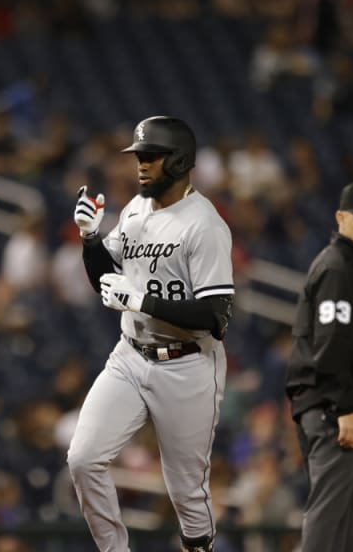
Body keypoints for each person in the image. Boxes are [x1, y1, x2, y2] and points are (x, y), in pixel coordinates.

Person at [67, 116, 235, 552]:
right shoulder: (136, 210)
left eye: (150, 157)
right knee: (83, 459)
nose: (140, 165)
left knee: (186, 494)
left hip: (188, 364)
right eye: (139, 156)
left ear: (178, 161)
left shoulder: (205, 225)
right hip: (130, 355)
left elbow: (216, 316)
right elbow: (108, 285)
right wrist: (90, 241)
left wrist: (141, 301)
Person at [284, 181, 353, 552]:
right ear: (341, 218)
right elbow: (331, 342)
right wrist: (342, 407)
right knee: (328, 521)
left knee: (343, 525)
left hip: (336, 406)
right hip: (333, 409)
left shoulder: (350, 266)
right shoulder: (338, 267)